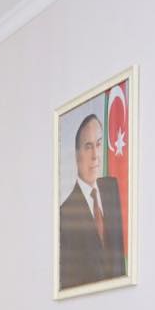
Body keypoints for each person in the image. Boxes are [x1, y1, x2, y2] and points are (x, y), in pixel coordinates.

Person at [58, 113, 126, 289]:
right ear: (76, 156)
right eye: (88, 147)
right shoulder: (65, 214)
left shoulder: (111, 189)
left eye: (99, 144)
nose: (95, 155)